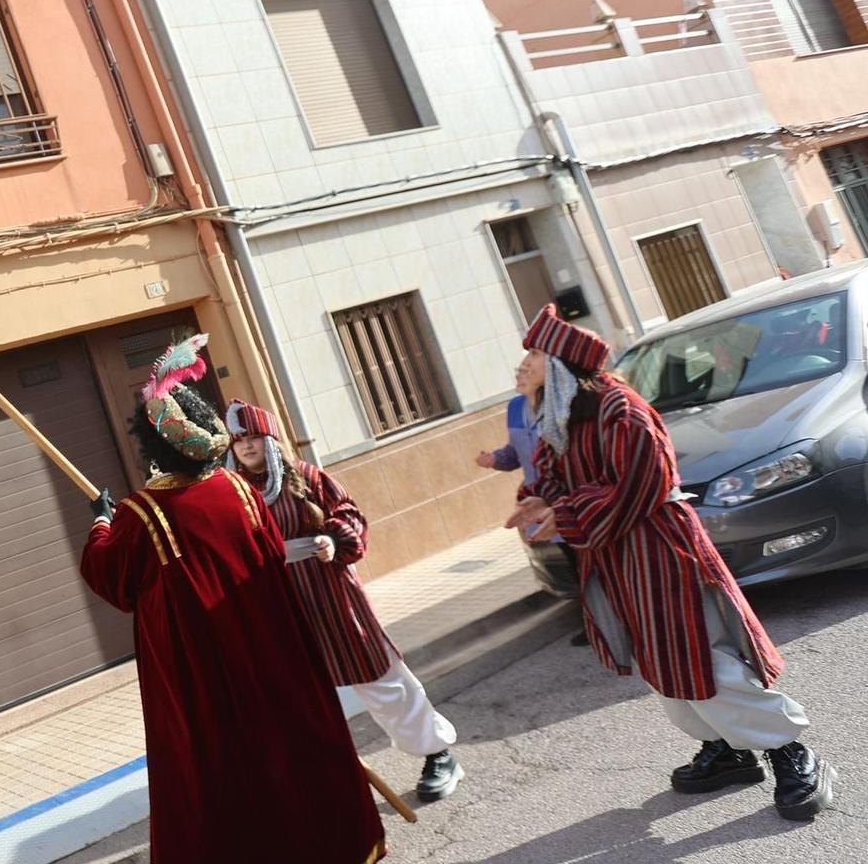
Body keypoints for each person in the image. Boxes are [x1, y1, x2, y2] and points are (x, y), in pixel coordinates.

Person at [81, 336, 386, 864]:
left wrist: (102, 520)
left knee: (211, 773)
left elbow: (110, 578)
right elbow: (268, 552)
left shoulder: (145, 514)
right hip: (274, 657)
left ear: (154, 442)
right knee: (293, 753)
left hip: (204, 677)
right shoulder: (242, 492)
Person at [506, 305, 835, 821]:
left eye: (533, 356)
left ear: (560, 368)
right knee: (659, 660)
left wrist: (564, 511)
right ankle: (727, 749)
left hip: (661, 552)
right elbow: (551, 475)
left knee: (704, 656)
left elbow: (642, 484)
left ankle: (792, 751)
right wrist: (539, 499)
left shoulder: (620, 409)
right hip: (616, 559)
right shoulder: (559, 417)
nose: (521, 366)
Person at [226, 400, 464, 802]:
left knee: (379, 677)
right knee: (297, 697)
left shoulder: (306, 477)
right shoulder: (232, 493)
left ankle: (437, 754)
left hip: (329, 591)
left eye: (253, 437)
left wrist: (333, 538)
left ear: (269, 438)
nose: (246, 446)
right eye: (238, 440)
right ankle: (324, 782)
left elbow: (351, 513)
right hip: (277, 603)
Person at [478, 355, 591, 646]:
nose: (519, 376)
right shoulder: (515, 408)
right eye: (518, 370)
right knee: (571, 565)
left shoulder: (555, 403)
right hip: (539, 503)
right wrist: (495, 460)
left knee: (587, 562)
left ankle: (606, 622)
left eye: (525, 371)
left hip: (566, 497)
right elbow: (514, 453)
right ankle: (592, 623)